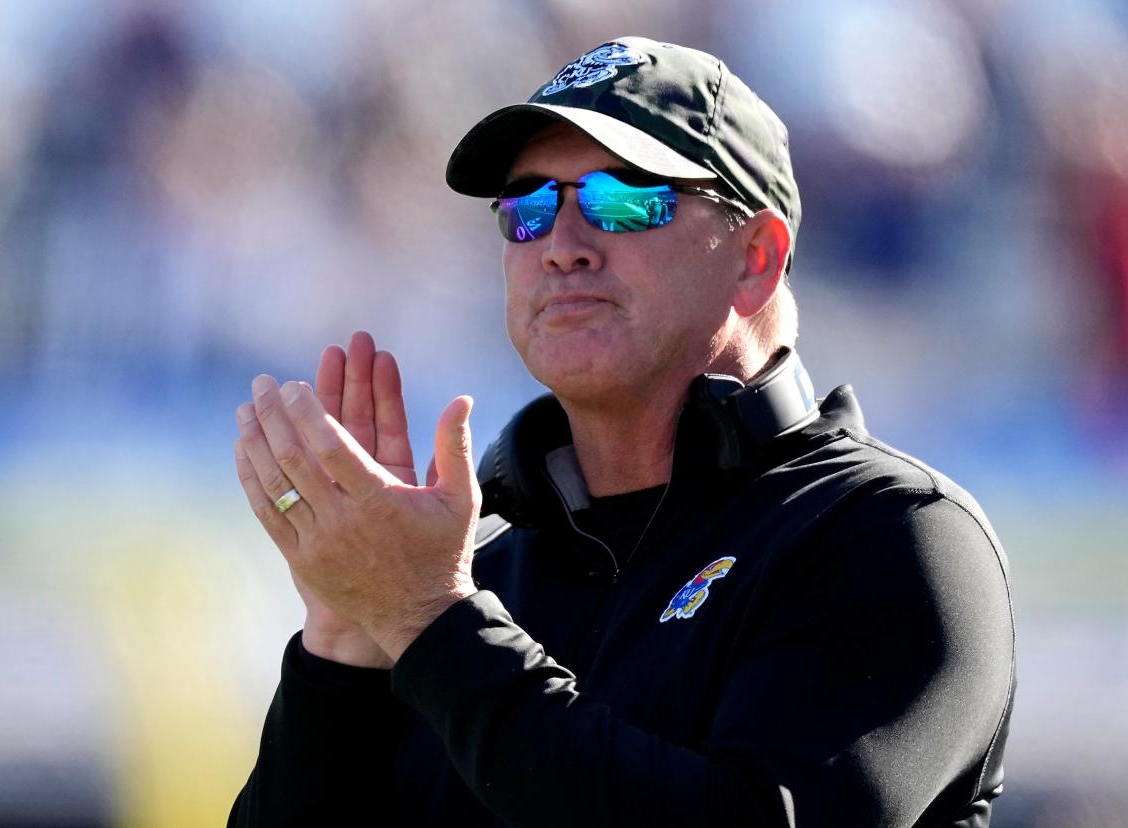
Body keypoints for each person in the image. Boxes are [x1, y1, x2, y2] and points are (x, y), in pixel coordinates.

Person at [228, 36, 1016, 827]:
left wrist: (426, 621)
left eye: (624, 198)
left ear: (757, 257)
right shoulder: (480, 577)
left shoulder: (891, 536)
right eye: (528, 211)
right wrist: (343, 651)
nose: (563, 247)